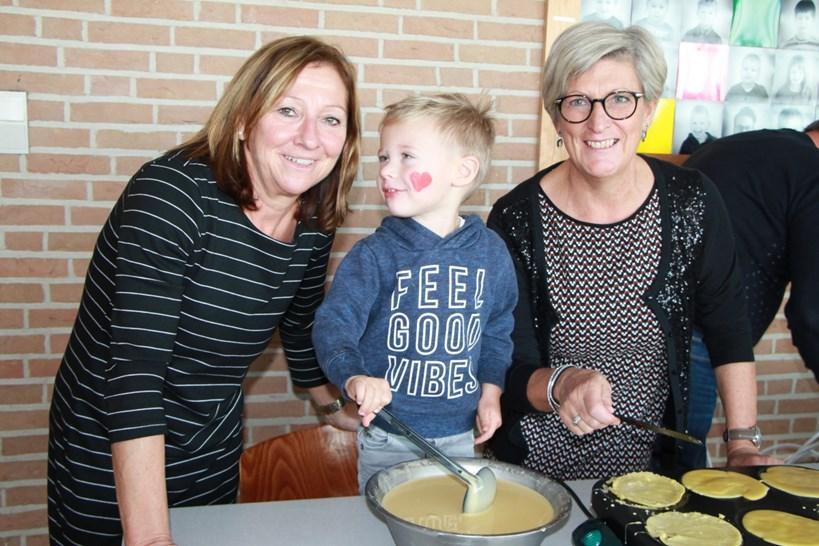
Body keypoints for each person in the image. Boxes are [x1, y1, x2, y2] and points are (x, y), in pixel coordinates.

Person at [47, 36, 362, 545]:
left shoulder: (314, 217)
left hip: (210, 443)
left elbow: (300, 325)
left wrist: (333, 409)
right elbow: (133, 375)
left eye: (331, 119)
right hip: (110, 453)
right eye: (287, 110)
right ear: (243, 120)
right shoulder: (171, 195)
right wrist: (149, 537)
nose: (310, 138)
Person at [486, 21, 776, 481]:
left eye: (620, 99)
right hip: (537, 475)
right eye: (577, 101)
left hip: (655, 474)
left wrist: (742, 442)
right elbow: (509, 367)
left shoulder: (691, 201)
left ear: (649, 110)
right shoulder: (515, 217)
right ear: (556, 118)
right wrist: (564, 383)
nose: (599, 122)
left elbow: (728, 328)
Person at [313, 93, 517, 491]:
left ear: (463, 171)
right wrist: (353, 375)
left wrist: (491, 392)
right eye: (384, 157)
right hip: (390, 436)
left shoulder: (491, 252)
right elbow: (333, 326)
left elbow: (497, 328)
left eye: (407, 156)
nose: (387, 171)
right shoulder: (375, 254)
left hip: (460, 436)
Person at [680, 123, 819, 468]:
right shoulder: (809, 168)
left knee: (676, 446)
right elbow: (811, 313)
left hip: (657, 315)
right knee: (680, 457)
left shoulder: (758, 147)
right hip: (696, 328)